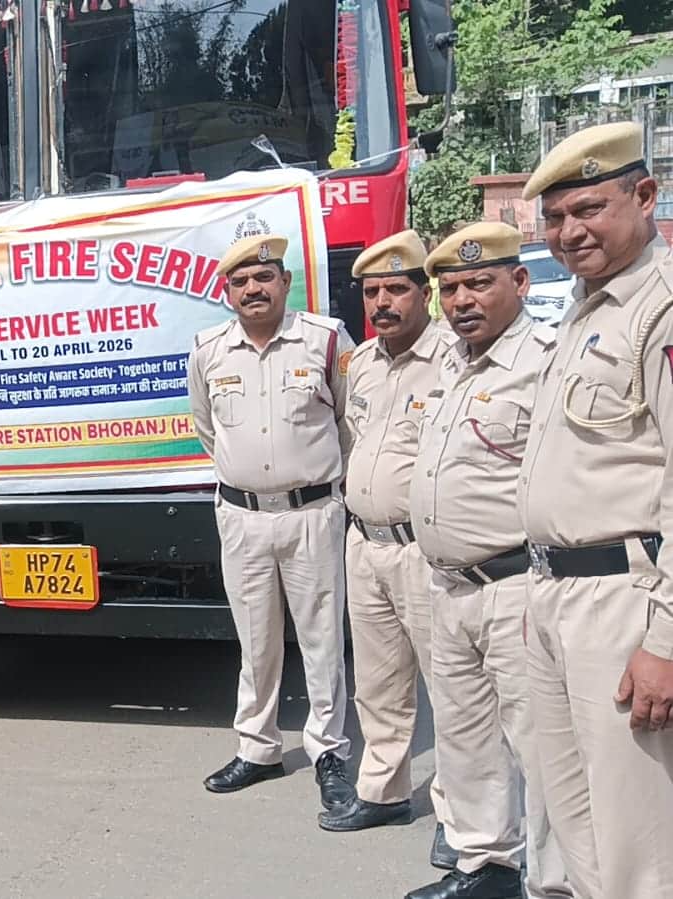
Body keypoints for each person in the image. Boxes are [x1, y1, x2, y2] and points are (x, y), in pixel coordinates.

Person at [519, 121, 673, 898]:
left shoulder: (659, 308)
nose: (569, 230)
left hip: (621, 602)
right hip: (551, 596)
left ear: (644, 196)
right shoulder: (583, 312)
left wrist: (665, 639)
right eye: (553, 218)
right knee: (573, 824)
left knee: (635, 841)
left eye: (588, 208)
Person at [405, 224, 570, 899]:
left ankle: (554, 884)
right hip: (446, 585)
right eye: (450, 288)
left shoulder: (545, 361)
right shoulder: (450, 360)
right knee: (464, 737)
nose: (461, 299)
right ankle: (484, 866)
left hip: (514, 583)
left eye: (479, 282)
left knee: (541, 748)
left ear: (519, 282)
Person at [186, 233, 356, 813]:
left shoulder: (326, 340)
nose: (253, 289)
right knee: (255, 642)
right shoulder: (208, 350)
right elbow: (208, 429)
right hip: (242, 518)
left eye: (264, 278)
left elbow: (350, 425)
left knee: (321, 639)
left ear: (285, 283)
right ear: (226, 291)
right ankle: (258, 747)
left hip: (313, 513)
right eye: (240, 281)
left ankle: (329, 749)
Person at [321, 231, 456, 856]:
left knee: (452, 685)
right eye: (372, 291)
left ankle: (463, 815)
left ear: (423, 293)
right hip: (365, 544)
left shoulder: (453, 358)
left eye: (397, 289)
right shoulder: (362, 365)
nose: (382, 302)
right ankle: (384, 790)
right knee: (377, 683)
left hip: (424, 550)